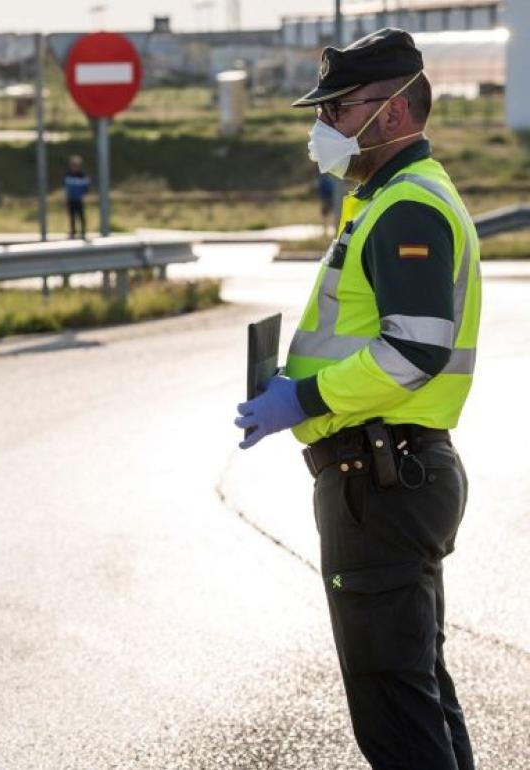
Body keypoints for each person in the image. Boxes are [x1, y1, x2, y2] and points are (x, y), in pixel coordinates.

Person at [234, 29, 481, 770]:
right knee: (417, 698)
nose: (324, 127)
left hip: (381, 479)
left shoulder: (406, 207)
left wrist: (301, 397)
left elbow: (414, 349)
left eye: (338, 110)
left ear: (394, 112)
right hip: (389, 475)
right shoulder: (386, 201)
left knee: (398, 718)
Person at [64, 154, 90, 239]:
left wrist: (83, 193)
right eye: (73, 165)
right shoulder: (68, 175)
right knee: (72, 217)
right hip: (71, 199)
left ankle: (83, 232)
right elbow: (67, 188)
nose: (74, 167)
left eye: (76, 165)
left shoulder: (82, 175)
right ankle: (73, 232)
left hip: (78, 199)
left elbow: (86, 187)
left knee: (81, 216)